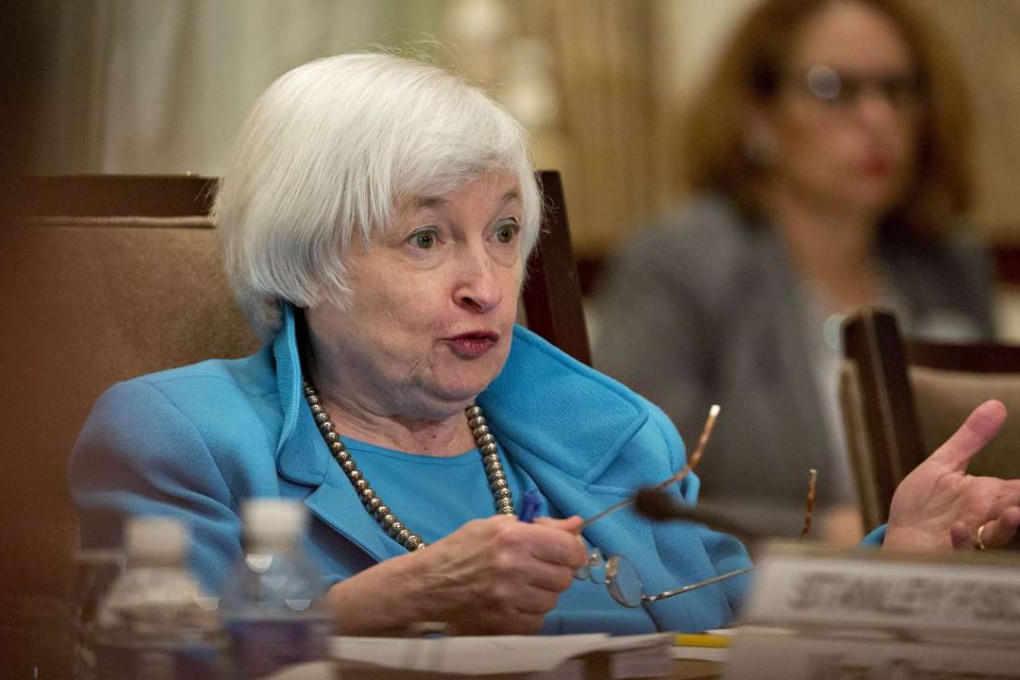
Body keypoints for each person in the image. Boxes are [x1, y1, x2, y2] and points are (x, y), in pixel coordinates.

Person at [71, 52, 1020, 639]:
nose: (486, 282)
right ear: (306, 262)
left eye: (505, 231)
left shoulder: (612, 434)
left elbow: (731, 628)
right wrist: (387, 604)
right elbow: (148, 660)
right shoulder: (180, 436)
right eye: (427, 238)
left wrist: (897, 560)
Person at [591, 0, 997, 541]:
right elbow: (635, 494)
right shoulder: (679, 265)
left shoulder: (950, 264)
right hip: (745, 604)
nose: (877, 118)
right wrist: (842, 531)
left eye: (898, 90)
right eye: (834, 89)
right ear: (758, 115)